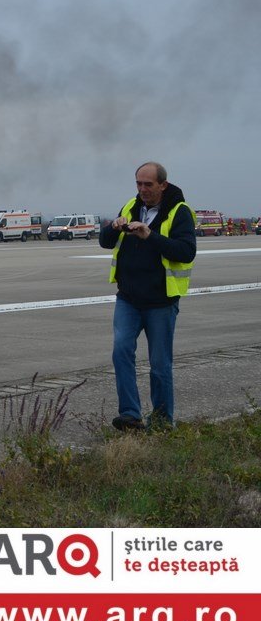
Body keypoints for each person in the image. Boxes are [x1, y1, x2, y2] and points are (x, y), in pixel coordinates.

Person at [99, 161, 196, 432]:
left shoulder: (179, 212)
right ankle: (130, 415)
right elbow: (105, 242)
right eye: (138, 184)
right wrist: (113, 227)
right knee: (121, 352)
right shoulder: (130, 206)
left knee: (160, 364)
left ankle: (163, 421)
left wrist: (149, 235)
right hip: (128, 298)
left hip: (160, 302)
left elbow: (186, 251)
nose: (142, 189)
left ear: (162, 185)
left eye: (148, 184)